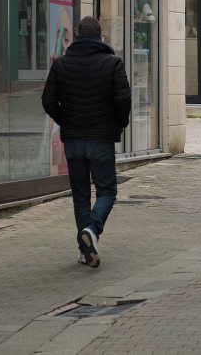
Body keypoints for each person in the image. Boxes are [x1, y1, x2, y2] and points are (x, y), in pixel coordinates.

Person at [41, 16, 131, 269]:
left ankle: (85, 251)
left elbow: (48, 101)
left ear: (78, 35)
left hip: (73, 140)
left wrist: (66, 120)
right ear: (100, 36)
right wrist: (118, 124)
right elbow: (123, 99)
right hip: (101, 139)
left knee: (80, 196)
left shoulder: (61, 64)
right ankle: (92, 230)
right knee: (107, 191)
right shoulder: (113, 63)